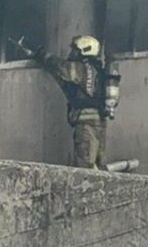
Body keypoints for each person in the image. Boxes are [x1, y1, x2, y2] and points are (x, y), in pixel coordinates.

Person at [24, 35, 115, 170]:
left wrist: (40, 54)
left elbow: (60, 67)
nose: (72, 53)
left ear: (85, 50)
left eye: (75, 50)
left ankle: (85, 191)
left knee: (84, 167)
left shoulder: (81, 68)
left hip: (86, 125)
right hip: (100, 123)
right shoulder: (97, 70)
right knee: (99, 166)